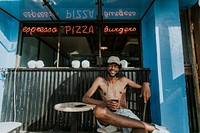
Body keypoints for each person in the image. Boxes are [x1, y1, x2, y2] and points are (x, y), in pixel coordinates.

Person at [82, 56, 170, 133]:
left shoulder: (123, 80)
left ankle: (151, 128)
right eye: (110, 66)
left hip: (124, 113)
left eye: (115, 66)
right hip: (108, 115)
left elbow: (141, 87)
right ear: (107, 67)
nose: (113, 68)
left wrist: (146, 84)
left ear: (119, 68)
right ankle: (152, 127)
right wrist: (104, 103)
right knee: (98, 111)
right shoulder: (100, 80)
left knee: (139, 130)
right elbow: (85, 98)